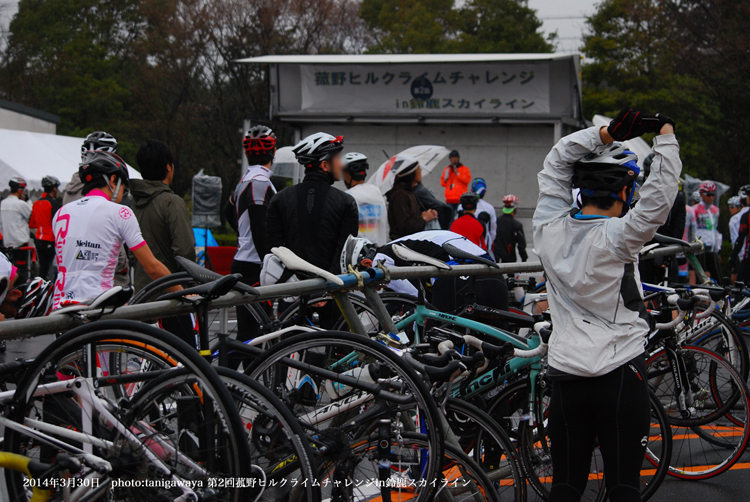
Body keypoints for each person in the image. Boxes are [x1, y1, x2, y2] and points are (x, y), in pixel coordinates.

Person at [533, 106, 679, 502]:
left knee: (565, 486)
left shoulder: (547, 231)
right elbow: (660, 197)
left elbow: (556, 160)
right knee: (622, 487)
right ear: (624, 193)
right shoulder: (620, 236)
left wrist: (605, 134)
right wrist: (664, 135)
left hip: (565, 374)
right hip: (618, 372)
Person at [53, 151, 177, 309]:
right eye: (124, 189)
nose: (122, 195)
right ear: (113, 180)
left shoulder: (61, 213)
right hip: (97, 307)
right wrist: (184, 293)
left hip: (60, 307)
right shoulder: (120, 212)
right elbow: (152, 267)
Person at [266, 132, 359, 274]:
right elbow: (345, 254)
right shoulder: (346, 202)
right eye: (338, 159)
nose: (341, 165)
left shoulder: (279, 199)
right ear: (325, 165)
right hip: (330, 288)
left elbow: (274, 250)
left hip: (289, 287)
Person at [224, 126, 277, 360]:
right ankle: (228, 385)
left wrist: (241, 236)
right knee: (254, 334)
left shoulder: (246, 179)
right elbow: (258, 225)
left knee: (248, 333)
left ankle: (226, 385)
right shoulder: (260, 182)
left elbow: (227, 211)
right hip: (255, 265)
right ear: (273, 151)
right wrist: (270, 260)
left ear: (247, 154)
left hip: (243, 260)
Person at [368, 230, 508, 314]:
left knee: (435, 343)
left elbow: (413, 297)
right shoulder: (415, 240)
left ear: (366, 263)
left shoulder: (380, 259)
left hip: (455, 274)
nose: (380, 288)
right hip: (492, 273)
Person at [66, 131, 131, 288]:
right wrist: (122, 266)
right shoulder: (102, 190)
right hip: (106, 275)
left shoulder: (70, 189)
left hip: (74, 270)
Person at [130, 140, 195, 293]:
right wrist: (190, 286)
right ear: (168, 167)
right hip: (172, 293)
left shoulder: (132, 203)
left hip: (142, 292)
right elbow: (185, 250)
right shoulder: (171, 202)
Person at [637, 153, 686, 284]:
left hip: (645, 248)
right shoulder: (677, 197)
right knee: (670, 293)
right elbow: (678, 231)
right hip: (666, 250)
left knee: (643, 290)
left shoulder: (641, 194)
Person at [385, 157, 438, 240]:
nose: (420, 172)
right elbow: (405, 226)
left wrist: (423, 216)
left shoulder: (408, 193)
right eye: (419, 169)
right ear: (411, 174)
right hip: (402, 244)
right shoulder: (400, 195)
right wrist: (424, 219)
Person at [342, 152, 388, 246]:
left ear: (347, 175)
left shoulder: (347, 196)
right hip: (379, 249)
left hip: (356, 253)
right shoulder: (377, 192)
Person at [29, 176, 61, 281]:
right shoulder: (53, 203)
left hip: (39, 239)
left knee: (42, 269)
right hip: (50, 240)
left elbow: (31, 224)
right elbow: (58, 223)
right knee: (52, 270)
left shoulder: (37, 203)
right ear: (54, 189)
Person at [1, 177, 32, 279]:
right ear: (20, 190)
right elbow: (32, 216)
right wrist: (28, 201)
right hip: (21, 244)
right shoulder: (21, 204)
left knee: (10, 272)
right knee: (22, 273)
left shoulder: (3, 203)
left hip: (8, 243)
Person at [691, 181, 722, 282]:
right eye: (708, 195)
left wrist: (718, 249)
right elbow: (693, 229)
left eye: (713, 194)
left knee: (718, 277)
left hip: (712, 248)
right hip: (700, 247)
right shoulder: (695, 209)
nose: (711, 197)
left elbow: (715, 229)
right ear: (701, 195)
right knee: (703, 276)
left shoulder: (715, 210)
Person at [495, 194, 528, 263]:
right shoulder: (516, 225)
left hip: (495, 257)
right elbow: (521, 245)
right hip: (510, 259)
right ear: (515, 208)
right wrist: (524, 258)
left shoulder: (495, 221)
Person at [440, 150, 471, 217]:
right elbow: (442, 183)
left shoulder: (465, 169)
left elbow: (467, 180)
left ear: (458, 158)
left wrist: (457, 173)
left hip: (460, 198)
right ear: (450, 159)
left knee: (461, 217)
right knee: (449, 218)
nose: (454, 159)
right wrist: (446, 179)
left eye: (455, 157)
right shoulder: (446, 169)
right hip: (449, 199)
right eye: (452, 157)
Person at [731, 186, 750, 283]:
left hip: (747, 256)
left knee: (741, 283)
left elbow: (740, 239)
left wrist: (733, 257)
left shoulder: (746, 216)